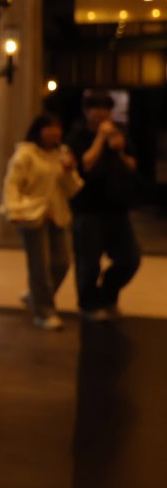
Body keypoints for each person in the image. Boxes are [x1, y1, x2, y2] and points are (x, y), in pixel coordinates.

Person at [1, 113, 83, 330]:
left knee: (62, 263)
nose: (54, 132)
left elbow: (72, 189)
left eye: (57, 127)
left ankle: (35, 295)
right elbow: (12, 184)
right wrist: (13, 210)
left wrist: (69, 171)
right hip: (32, 215)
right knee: (40, 266)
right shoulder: (26, 154)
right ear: (38, 130)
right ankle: (44, 312)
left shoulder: (62, 154)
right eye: (49, 127)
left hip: (58, 215)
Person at [66, 90, 142, 321]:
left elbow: (132, 165)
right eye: (96, 108)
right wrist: (100, 138)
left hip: (117, 207)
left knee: (130, 259)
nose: (102, 113)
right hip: (88, 208)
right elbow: (85, 165)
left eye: (106, 109)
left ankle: (108, 296)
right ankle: (89, 305)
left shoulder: (119, 133)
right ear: (86, 111)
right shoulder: (77, 135)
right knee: (88, 262)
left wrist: (119, 151)